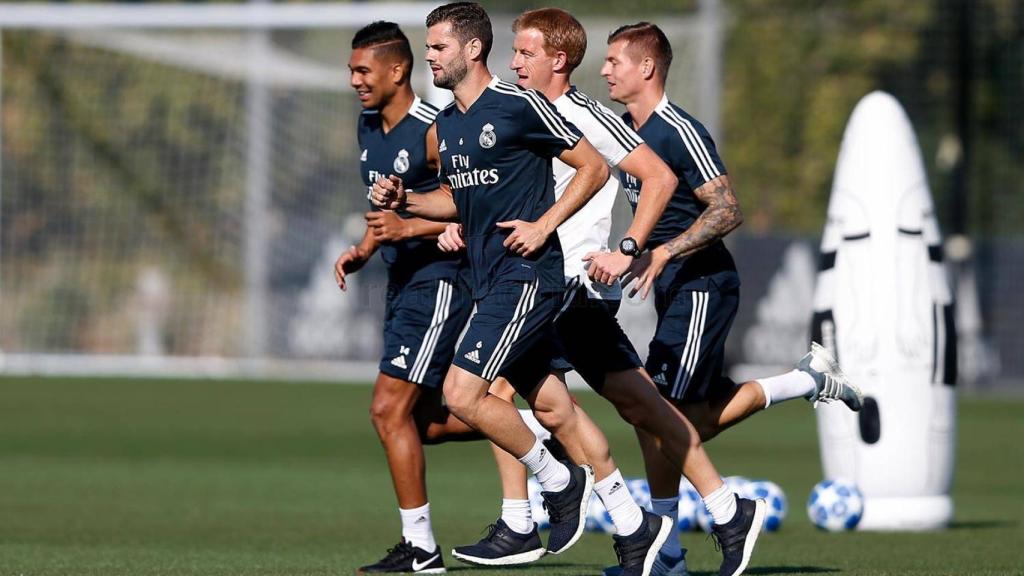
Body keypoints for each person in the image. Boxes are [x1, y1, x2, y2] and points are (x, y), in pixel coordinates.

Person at [439, 9, 768, 576]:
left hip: (568, 284)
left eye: (524, 53)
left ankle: (526, 518)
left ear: (557, 60)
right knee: (625, 402)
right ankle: (708, 511)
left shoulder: (586, 114)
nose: (513, 62)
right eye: (513, 52)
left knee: (492, 386)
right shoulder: (521, 112)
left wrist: (631, 245)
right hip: (546, 283)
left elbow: (660, 178)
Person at [596, 22, 864, 576]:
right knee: (673, 418)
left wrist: (664, 252)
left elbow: (728, 209)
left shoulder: (678, 129)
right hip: (673, 292)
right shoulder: (624, 131)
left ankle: (669, 552)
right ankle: (806, 381)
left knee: (657, 414)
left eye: (614, 60)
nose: (605, 70)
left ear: (647, 67)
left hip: (703, 287)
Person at [371, 1, 620, 568]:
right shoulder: (447, 125)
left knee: (463, 394)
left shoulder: (519, 105)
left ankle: (557, 483)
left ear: (471, 49)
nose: (428, 57)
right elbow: (456, 199)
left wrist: (544, 225)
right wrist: (406, 199)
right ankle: (630, 524)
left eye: (437, 47)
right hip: (489, 281)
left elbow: (594, 168)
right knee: (551, 407)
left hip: (529, 276)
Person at [336, 21, 481, 575]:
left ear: (398, 70)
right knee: (415, 422)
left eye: (362, 70)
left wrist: (410, 226)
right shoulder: (368, 126)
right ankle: (539, 433)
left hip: (441, 281)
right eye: (351, 70)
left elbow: (470, 206)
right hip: (401, 285)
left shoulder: (434, 130)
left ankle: (421, 551)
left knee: (385, 409)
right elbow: (386, 215)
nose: (354, 80)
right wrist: (363, 249)